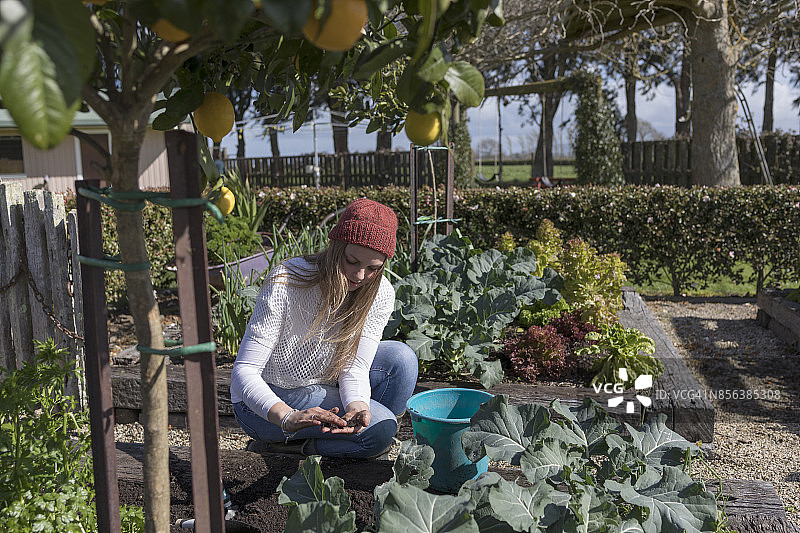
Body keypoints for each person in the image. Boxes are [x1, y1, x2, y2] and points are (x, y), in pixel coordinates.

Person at [230, 198, 418, 458]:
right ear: (336, 247)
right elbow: (244, 372)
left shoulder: (379, 293)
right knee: (381, 429)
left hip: (325, 384)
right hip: (269, 398)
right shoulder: (289, 281)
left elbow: (355, 367)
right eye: (352, 261)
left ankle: (363, 442)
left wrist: (358, 406)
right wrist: (286, 416)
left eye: (373, 268)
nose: (360, 276)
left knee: (401, 359)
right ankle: (287, 447)